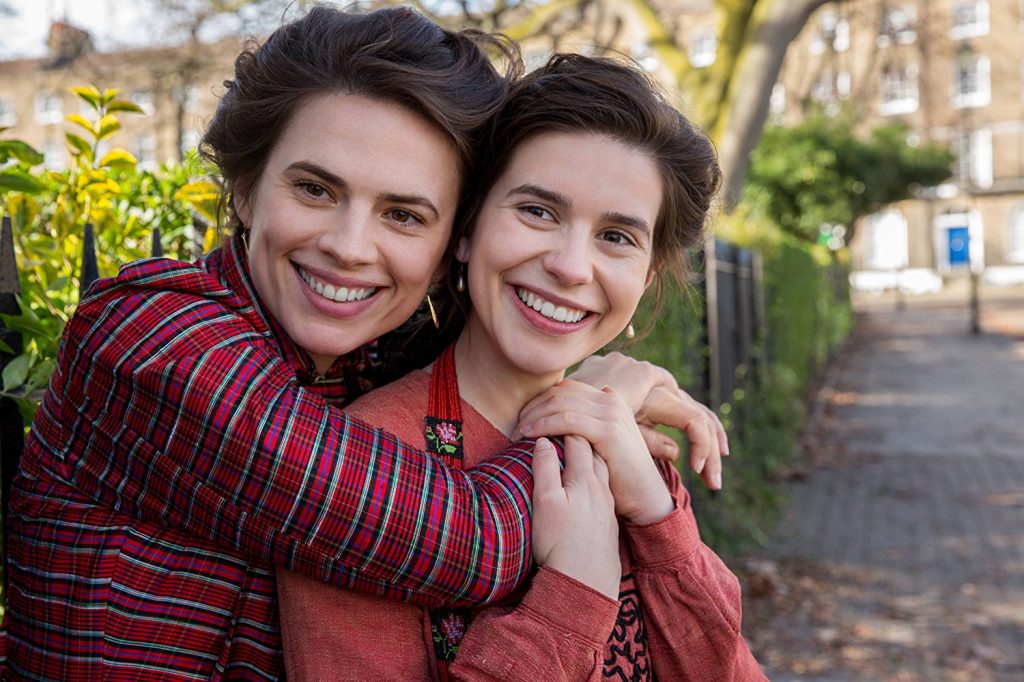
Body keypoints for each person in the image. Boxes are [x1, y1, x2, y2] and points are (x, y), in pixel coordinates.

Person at [0, 7, 727, 681]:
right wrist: (595, 416)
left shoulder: (365, 362)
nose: (351, 247)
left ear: (451, 242)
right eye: (315, 190)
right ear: (246, 188)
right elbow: (464, 542)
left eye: (405, 215)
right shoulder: (151, 338)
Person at [278, 54, 764, 680]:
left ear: (645, 279)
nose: (569, 265)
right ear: (465, 230)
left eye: (617, 236)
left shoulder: (629, 445)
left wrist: (654, 516)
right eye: (538, 211)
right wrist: (570, 603)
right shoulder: (366, 459)